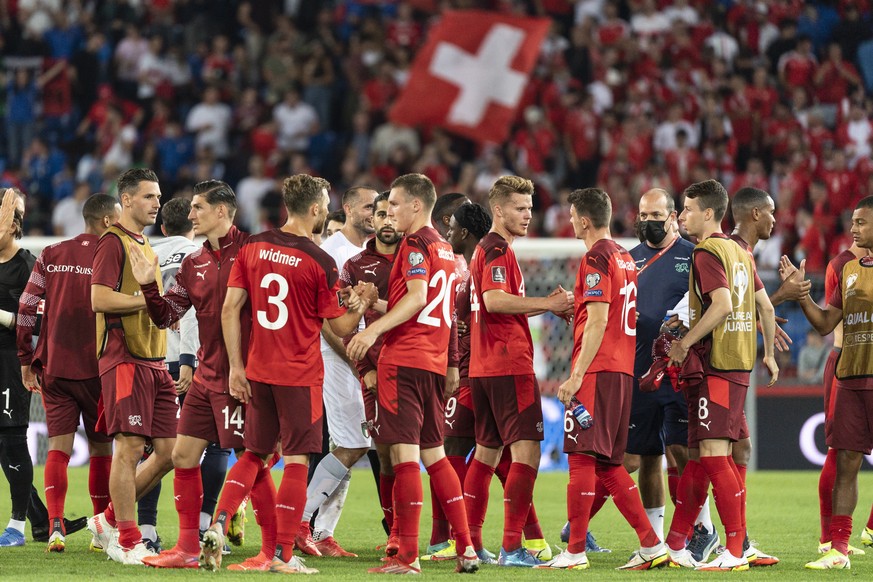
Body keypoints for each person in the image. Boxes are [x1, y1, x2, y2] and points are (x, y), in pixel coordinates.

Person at [199, 174, 372, 574]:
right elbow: (342, 329)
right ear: (314, 209)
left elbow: (230, 310)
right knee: (296, 460)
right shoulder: (321, 261)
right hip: (300, 374)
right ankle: (282, 556)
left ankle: (220, 524)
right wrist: (361, 304)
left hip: (257, 370)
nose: (327, 209)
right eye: (325, 203)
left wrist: (236, 368)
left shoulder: (253, 247)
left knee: (254, 454)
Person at [125, 181, 277, 571]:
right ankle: (188, 548)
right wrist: (147, 286)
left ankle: (275, 548)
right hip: (208, 374)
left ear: (222, 211)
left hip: (242, 374)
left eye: (197, 208)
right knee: (182, 454)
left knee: (249, 455)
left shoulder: (254, 251)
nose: (189, 215)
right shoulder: (194, 262)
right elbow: (166, 314)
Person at [346, 173, 480, 575]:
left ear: (417, 206)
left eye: (396, 206)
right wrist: (378, 302)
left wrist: (371, 329)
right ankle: (467, 549)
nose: (390, 214)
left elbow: (418, 299)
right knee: (435, 457)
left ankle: (407, 556)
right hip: (433, 363)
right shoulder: (442, 246)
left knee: (403, 460)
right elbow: (425, 304)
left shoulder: (414, 243)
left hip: (403, 361)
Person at [544, 187, 667, 570]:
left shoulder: (596, 257)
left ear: (583, 220)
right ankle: (651, 544)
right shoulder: (625, 258)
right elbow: (606, 314)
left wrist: (575, 373)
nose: (569, 222)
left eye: (571, 216)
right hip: (621, 369)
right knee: (608, 463)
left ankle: (575, 551)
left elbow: (598, 320)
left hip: (597, 370)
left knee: (581, 457)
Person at [664, 179, 778, 571]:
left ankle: (734, 548)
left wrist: (683, 343)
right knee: (698, 457)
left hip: (717, 366)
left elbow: (723, 306)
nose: (681, 216)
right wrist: (769, 356)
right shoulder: (738, 251)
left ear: (709, 213)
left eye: (687, 209)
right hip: (736, 364)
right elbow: (763, 304)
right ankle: (676, 542)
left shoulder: (708, 250)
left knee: (714, 456)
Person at [463, 175, 572, 567]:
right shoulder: (495, 249)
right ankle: (512, 547)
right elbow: (493, 301)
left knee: (487, 454)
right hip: (507, 364)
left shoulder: (486, 249)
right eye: (519, 208)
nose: (528, 215)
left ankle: (471, 544)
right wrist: (550, 303)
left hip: (483, 366)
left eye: (529, 208)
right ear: (498, 210)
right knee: (526, 454)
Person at [17, 193, 120, 552]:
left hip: (55, 368)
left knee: (58, 450)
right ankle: (99, 531)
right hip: (98, 369)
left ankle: (57, 525)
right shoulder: (113, 255)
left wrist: (25, 357)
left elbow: (27, 307)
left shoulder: (51, 253)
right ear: (108, 220)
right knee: (101, 450)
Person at [86, 168, 178, 565]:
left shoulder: (147, 247)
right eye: (148, 197)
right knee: (127, 448)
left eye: (158, 197)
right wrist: (148, 300)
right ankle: (127, 538)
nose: (157, 203)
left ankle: (107, 520)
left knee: (172, 452)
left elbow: (149, 301)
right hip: (124, 357)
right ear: (125, 200)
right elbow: (99, 300)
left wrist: (163, 311)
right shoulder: (113, 243)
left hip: (155, 358)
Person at [785, 196, 873, 569]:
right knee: (846, 458)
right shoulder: (846, 267)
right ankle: (836, 546)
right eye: (852, 222)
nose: (852, 228)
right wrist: (802, 295)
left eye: (861, 222)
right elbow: (825, 323)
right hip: (851, 371)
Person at [623, 188, 711, 556]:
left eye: (655, 216)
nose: (648, 222)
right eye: (643, 216)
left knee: (682, 450)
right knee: (645, 456)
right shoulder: (629, 259)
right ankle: (655, 539)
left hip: (679, 369)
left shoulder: (692, 256)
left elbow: (710, 304)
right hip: (638, 370)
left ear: (673, 217)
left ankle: (702, 528)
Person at [297, 186, 377, 558]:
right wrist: (355, 361)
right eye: (366, 206)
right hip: (339, 358)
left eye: (377, 207)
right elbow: (325, 320)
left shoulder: (370, 254)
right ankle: (302, 522)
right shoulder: (332, 252)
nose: (373, 212)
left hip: (362, 359)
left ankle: (322, 532)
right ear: (346, 209)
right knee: (353, 443)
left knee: (351, 443)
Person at [135, 197, 202, 554]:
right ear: (193, 223)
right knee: (212, 444)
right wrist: (190, 357)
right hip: (191, 360)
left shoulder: (146, 253)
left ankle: (144, 528)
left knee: (154, 445)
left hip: (150, 357)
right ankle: (208, 525)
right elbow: (191, 314)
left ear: (162, 227)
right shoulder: (199, 255)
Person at [339, 190, 400, 547]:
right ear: (372, 220)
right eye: (380, 215)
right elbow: (347, 325)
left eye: (392, 214)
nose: (387, 221)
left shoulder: (416, 259)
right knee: (386, 456)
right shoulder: (354, 267)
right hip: (377, 371)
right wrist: (365, 370)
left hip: (417, 366)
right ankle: (394, 533)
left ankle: (446, 535)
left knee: (431, 453)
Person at [0, 190, 39, 548]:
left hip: (11, 362)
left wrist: (3, 317)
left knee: (12, 441)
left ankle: (17, 527)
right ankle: (40, 520)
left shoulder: (28, 266)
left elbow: (42, 324)